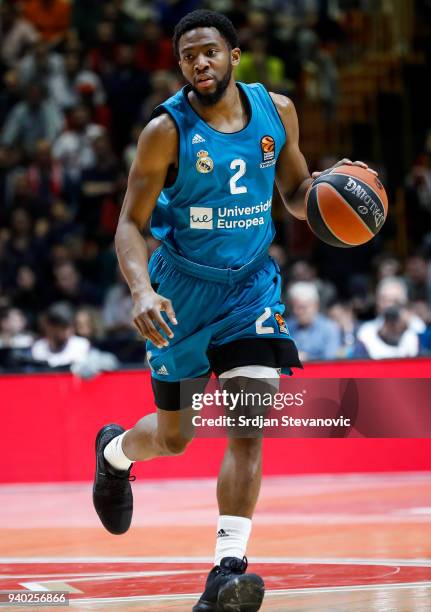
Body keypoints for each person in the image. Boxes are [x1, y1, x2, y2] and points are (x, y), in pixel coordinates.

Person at [92, 10, 373, 611]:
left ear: (235, 56)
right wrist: (141, 290)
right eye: (188, 55)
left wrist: (329, 198)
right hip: (180, 293)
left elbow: (296, 194)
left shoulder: (279, 112)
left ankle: (227, 568)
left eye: (210, 52)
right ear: (180, 65)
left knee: (249, 421)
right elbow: (129, 226)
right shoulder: (165, 131)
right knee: (175, 438)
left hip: (250, 290)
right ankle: (115, 454)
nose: (200, 63)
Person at [285, 281, 341, 361]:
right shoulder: (285, 327)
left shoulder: (330, 329)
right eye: (293, 307)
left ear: (316, 305)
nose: (296, 311)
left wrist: (308, 359)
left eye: (302, 307)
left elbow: (331, 362)